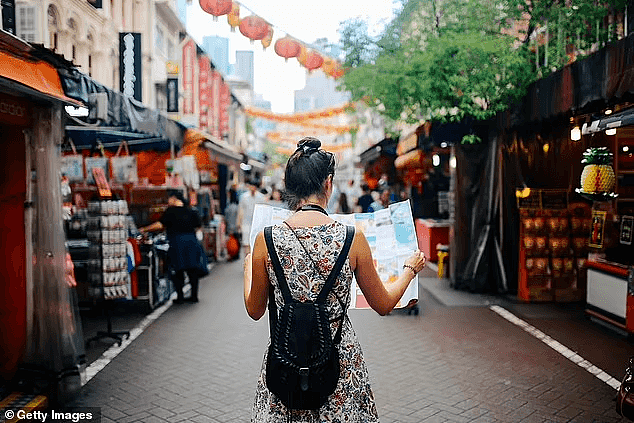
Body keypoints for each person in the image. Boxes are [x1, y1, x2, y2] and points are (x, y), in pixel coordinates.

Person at [243, 137, 426, 422]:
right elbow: (384, 303)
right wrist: (410, 268)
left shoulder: (266, 240)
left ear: (290, 186)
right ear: (328, 183)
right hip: (339, 365)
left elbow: (255, 310)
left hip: (286, 360)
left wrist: (247, 270)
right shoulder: (352, 239)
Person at [139, 190, 205, 304]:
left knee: (177, 270)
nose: (168, 201)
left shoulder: (171, 211)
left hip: (177, 242)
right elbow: (199, 226)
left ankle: (180, 296)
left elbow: (160, 224)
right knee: (192, 270)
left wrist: (144, 229)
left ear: (174, 198)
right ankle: (194, 296)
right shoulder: (191, 210)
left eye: (169, 198)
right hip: (191, 242)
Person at [238, 179, 266, 255]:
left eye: (254, 186)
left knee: (256, 243)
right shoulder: (244, 197)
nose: (252, 188)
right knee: (246, 243)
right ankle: (247, 262)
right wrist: (239, 223)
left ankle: (254, 263)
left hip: (257, 223)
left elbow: (263, 211)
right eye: (251, 186)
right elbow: (240, 210)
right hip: (246, 223)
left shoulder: (261, 197)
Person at [224, 187, 241, 260]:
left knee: (233, 242)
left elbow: (227, 218)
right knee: (236, 241)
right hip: (236, 227)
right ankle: (235, 255)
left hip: (231, 226)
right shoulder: (237, 206)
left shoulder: (229, 206)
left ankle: (233, 254)